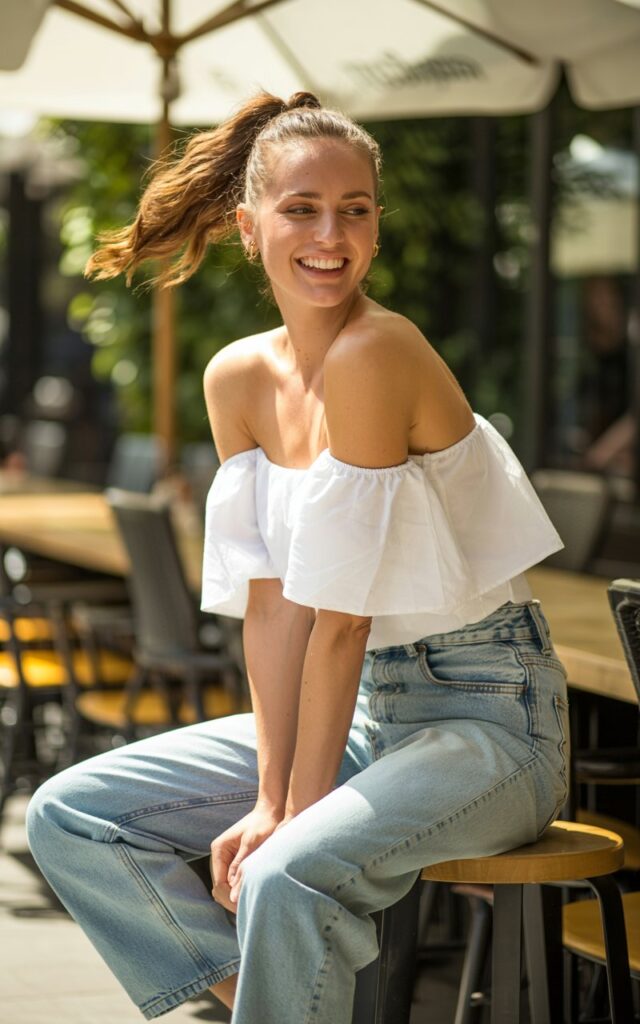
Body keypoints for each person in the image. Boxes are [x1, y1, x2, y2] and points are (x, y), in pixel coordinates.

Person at [26, 92, 569, 1023]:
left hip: (491, 721)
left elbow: (344, 617)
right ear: (249, 225)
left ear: (377, 227)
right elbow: (277, 609)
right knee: (73, 814)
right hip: (362, 715)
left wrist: (290, 812)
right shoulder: (237, 375)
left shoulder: (377, 350)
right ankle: (272, 1003)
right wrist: (275, 789)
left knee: (283, 866)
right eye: (301, 208)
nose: (331, 234)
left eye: (355, 209)